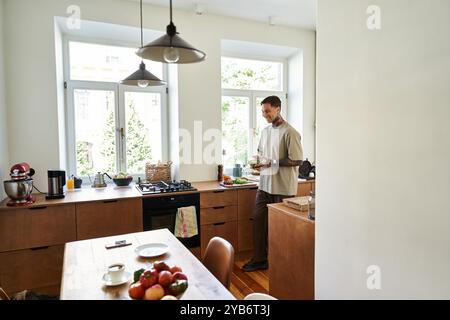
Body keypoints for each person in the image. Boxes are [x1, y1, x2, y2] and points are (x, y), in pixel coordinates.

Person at [242, 96, 303, 272]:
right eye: (262, 111)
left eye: (267, 111)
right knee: (258, 222)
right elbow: (262, 155)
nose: (264, 114)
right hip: (265, 185)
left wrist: (272, 162)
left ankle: (283, 263)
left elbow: (296, 159)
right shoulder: (265, 131)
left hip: (283, 188)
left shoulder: (290, 132)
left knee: (282, 229)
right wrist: (257, 163)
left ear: (278, 109)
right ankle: (260, 259)